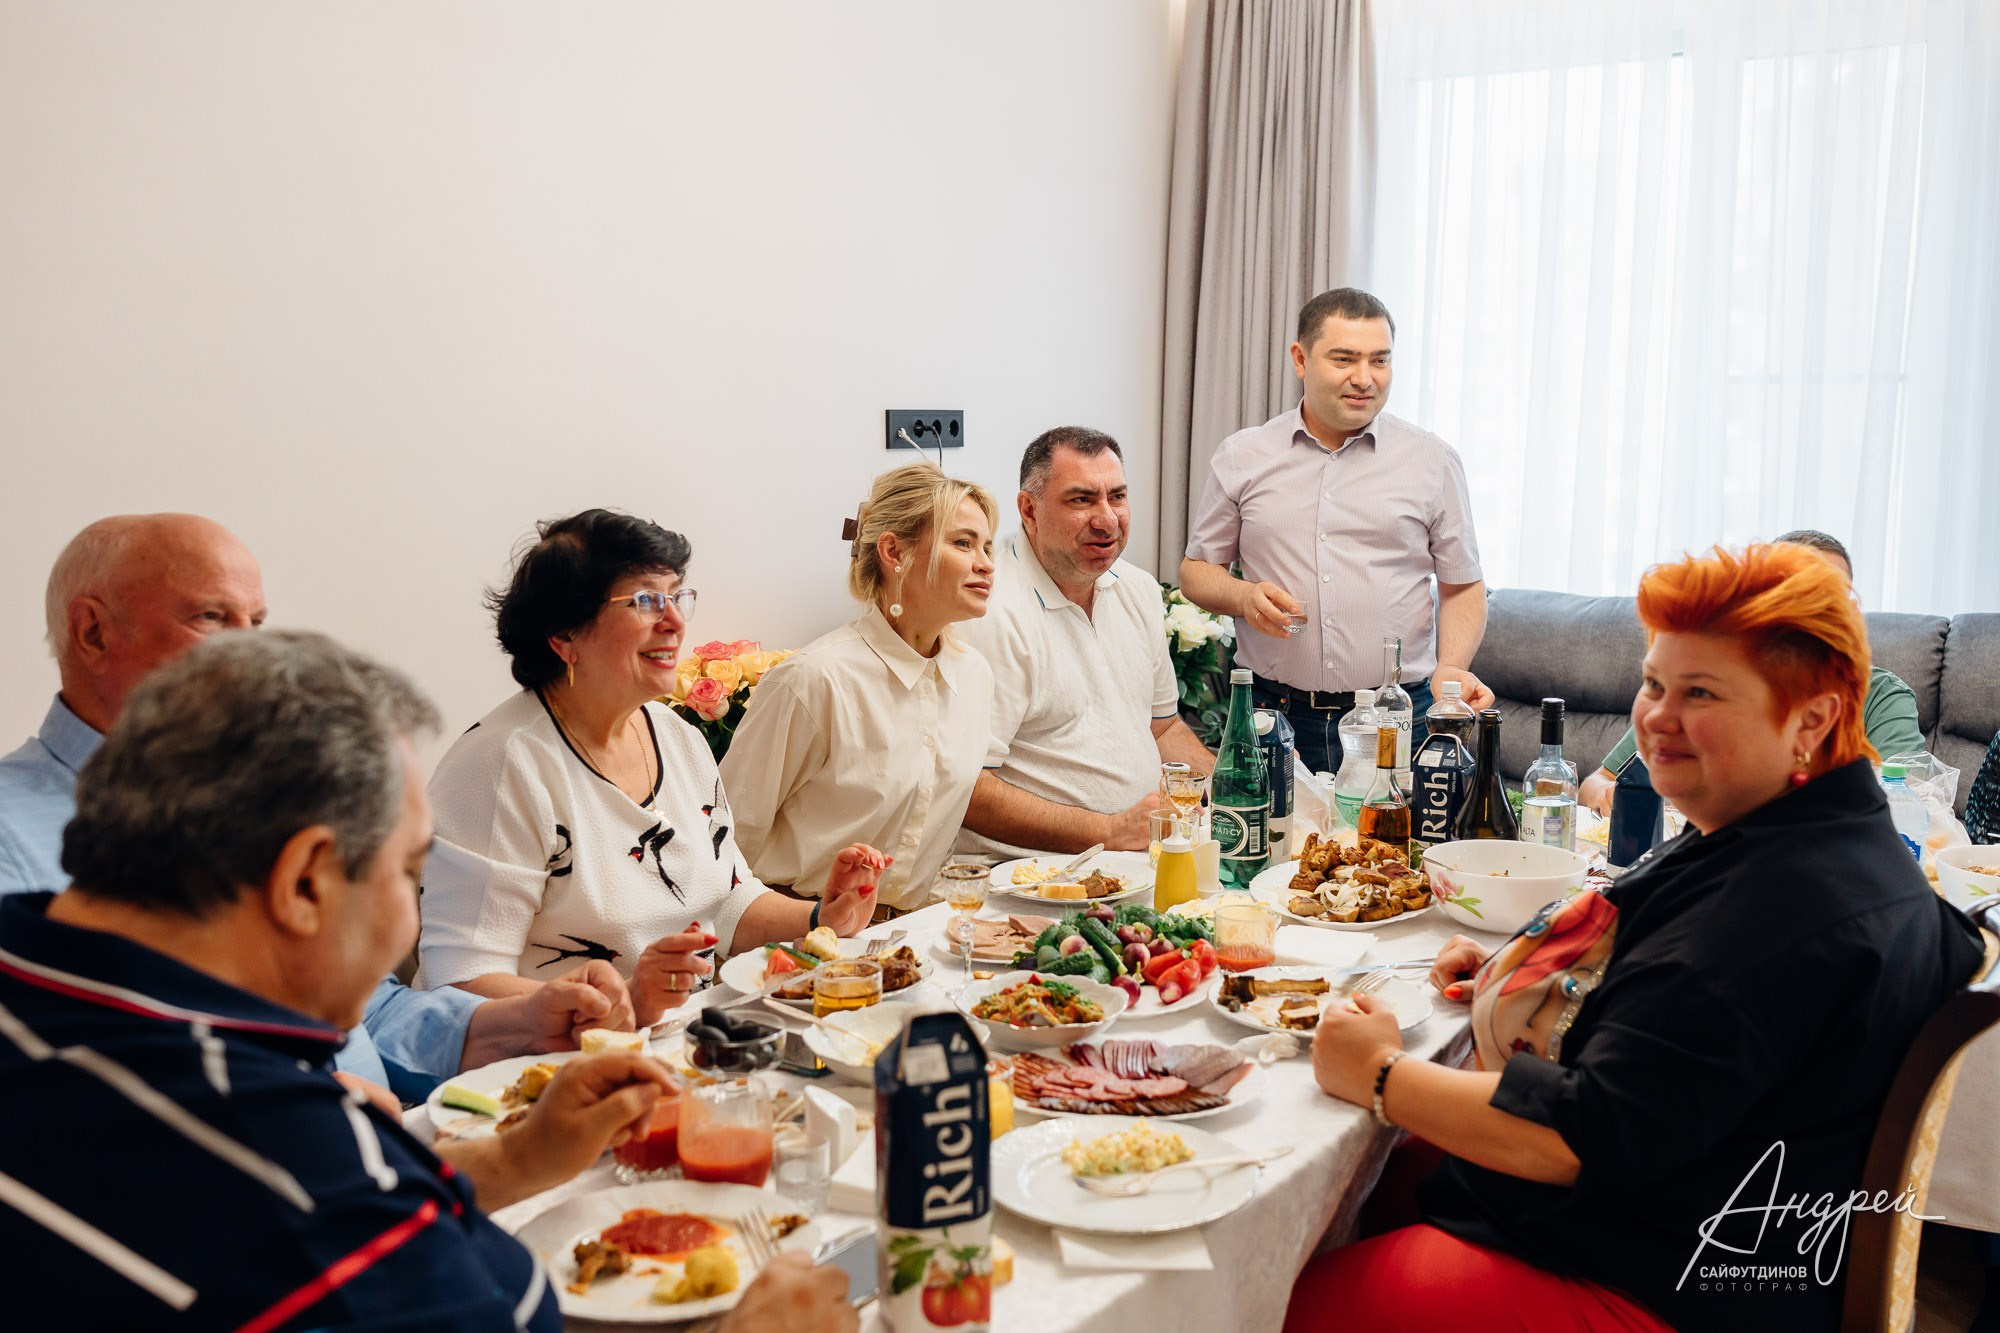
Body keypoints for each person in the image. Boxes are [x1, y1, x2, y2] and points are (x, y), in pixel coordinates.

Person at [1291, 544, 1984, 1332]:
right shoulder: (1810, 832)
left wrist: (1379, 1072)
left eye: (1701, 692)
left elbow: (1580, 1134)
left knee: (1273, 1293)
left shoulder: (1781, 907)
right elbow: (1693, 1027)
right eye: (1654, 683)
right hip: (1678, 1216)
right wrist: (1547, 974)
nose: (1657, 716)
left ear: (1813, 718)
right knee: (1368, 1172)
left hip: (1657, 1278)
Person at [0, 629, 680, 1329]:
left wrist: (515, 1157)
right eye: (407, 873)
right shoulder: (292, 1171)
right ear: (304, 882)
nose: (409, 920)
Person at [0, 514, 628, 1106]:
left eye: (256, 622)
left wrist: (517, 1024)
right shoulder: (11, 835)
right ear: (93, 632)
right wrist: (295, 1102)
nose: (249, 654)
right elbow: (52, 1094)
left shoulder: (260, 792)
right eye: (211, 617)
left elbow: (363, 1008)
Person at [419, 510, 888, 1025]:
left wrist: (824, 916)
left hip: (682, 1037)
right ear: (564, 635)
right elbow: (461, 982)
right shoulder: (501, 767)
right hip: (552, 1056)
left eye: (677, 596)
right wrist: (626, 998)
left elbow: (727, 902)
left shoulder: (676, 736)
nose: (675, 621)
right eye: (645, 601)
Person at [1180, 287, 1491, 775]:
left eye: (1380, 360)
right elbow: (1196, 571)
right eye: (1344, 359)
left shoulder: (1433, 462)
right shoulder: (1243, 456)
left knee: (1394, 830)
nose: (1364, 378)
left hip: (1396, 716)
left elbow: (1463, 585)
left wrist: (1451, 666)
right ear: (1300, 359)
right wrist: (1242, 596)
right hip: (1272, 713)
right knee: (1270, 828)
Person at [722, 464, 998, 912]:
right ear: (894, 551)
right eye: (963, 543)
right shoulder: (813, 680)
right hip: (798, 931)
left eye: (987, 546)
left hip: (914, 931)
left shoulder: (975, 676)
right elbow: (727, 842)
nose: (986, 564)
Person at [957, 427, 1212, 856]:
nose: (1107, 519)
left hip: (1136, 860)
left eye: (1117, 496)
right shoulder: (989, 612)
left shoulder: (1138, 588)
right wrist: (1109, 830)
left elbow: (1163, 727)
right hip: (1028, 873)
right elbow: (967, 789)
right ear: (1029, 511)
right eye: (1081, 500)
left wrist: (1233, 784)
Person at [1578, 529, 1925, 816]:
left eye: (1823, 599)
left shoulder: (1881, 698)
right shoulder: (1700, 675)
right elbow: (1600, 780)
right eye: (1654, 683)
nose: (1659, 719)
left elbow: (1903, 804)